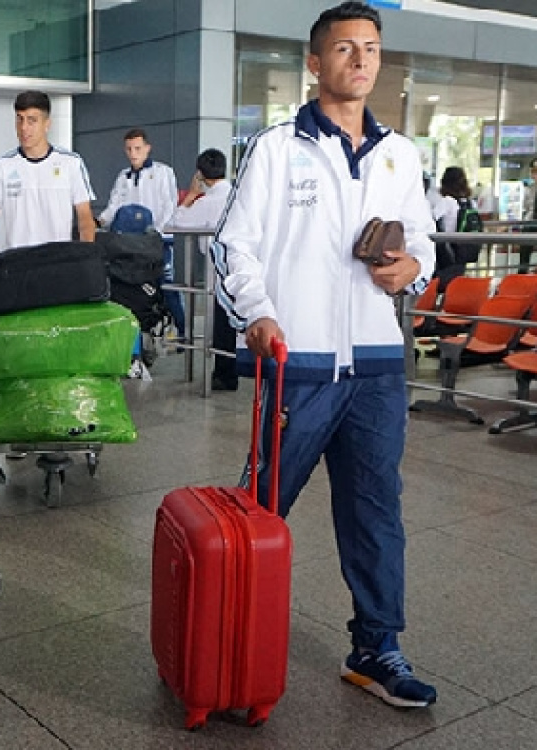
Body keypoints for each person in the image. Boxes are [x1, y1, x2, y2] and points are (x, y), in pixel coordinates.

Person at [211, 2, 437, 709]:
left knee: (376, 511)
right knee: (258, 511)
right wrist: (257, 313)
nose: (361, 59)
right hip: (297, 363)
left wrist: (412, 269)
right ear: (315, 62)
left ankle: (376, 648)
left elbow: (422, 245)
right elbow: (233, 246)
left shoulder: (401, 154)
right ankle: (223, 645)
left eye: (371, 47)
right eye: (344, 47)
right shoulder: (278, 148)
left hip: (375, 369)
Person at [0, 90, 96, 274]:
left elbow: (85, 217)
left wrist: (87, 258)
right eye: (19, 119)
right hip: (18, 266)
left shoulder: (71, 163)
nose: (24, 128)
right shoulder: (3, 165)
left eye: (32, 120)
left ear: (47, 124)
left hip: (58, 265)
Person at [99, 128, 185, 343]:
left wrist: (156, 232)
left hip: (157, 241)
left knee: (167, 286)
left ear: (147, 148)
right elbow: (113, 207)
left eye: (137, 148)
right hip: (129, 245)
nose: (133, 153)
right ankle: (136, 333)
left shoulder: (163, 172)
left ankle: (183, 332)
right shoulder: (123, 177)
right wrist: (98, 222)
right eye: (129, 149)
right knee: (131, 288)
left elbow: (169, 205)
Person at [172, 148, 237, 390]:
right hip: (243, 265)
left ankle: (224, 374)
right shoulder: (237, 196)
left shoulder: (208, 202)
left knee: (221, 321)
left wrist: (191, 195)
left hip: (218, 268)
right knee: (235, 319)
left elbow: (176, 222)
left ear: (200, 174)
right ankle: (234, 370)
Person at [433, 166, 474, 290]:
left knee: (441, 283)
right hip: (461, 250)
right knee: (455, 282)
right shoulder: (469, 202)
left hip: (447, 251)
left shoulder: (447, 201)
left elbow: (431, 218)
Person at [519, 157, 537, 273]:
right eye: (533, 171)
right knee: (524, 252)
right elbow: (526, 207)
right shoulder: (529, 189)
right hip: (530, 223)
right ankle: (522, 273)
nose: (534, 174)